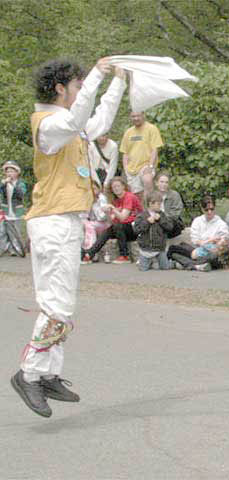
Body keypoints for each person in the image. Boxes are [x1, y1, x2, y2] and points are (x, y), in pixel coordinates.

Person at [11, 57, 126, 418]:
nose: (81, 94)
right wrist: (98, 74)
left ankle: (48, 373)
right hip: (52, 221)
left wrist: (118, 83)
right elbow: (77, 119)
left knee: (62, 303)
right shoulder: (48, 123)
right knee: (55, 303)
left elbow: (98, 122)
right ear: (60, 89)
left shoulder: (70, 127)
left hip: (67, 220)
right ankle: (29, 373)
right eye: (76, 87)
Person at [82, 176, 142, 264]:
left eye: (118, 186)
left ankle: (124, 256)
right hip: (123, 229)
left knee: (117, 226)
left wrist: (112, 208)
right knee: (108, 230)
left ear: (123, 186)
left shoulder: (129, 197)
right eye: (114, 187)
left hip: (137, 228)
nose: (116, 188)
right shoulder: (116, 200)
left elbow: (123, 217)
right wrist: (107, 212)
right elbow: (113, 221)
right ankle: (89, 254)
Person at [168, 195, 229, 272]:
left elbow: (225, 239)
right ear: (202, 209)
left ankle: (188, 264)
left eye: (212, 209)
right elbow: (195, 240)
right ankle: (197, 265)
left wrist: (219, 243)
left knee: (214, 256)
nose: (209, 212)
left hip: (212, 252)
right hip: (196, 249)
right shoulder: (197, 221)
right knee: (173, 251)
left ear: (215, 208)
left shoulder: (221, 223)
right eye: (206, 210)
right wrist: (209, 241)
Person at [120, 111, 164, 200]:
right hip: (132, 168)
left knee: (147, 180)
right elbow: (125, 153)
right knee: (136, 195)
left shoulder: (151, 128)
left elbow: (155, 149)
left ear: (143, 115)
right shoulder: (128, 132)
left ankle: (150, 207)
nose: (136, 118)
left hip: (146, 164)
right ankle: (141, 211)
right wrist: (126, 168)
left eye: (138, 116)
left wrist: (151, 166)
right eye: (133, 116)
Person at [132, 190, 173, 271]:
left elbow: (169, 227)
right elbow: (136, 230)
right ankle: (147, 262)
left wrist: (161, 220)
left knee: (165, 267)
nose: (160, 206)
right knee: (143, 269)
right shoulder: (142, 215)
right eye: (158, 204)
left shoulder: (162, 214)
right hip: (146, 247)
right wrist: (147, 222)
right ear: (151, 203)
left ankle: (170, 262)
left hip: (159, 248)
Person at [0, 160, 27, 255]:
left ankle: (16, 249)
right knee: (3, 231)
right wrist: (4, 184)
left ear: (17, 172)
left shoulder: (21, 183)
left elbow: (21, 194)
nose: (9, 173)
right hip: (6, 210)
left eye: (12, 171)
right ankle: (6, 249)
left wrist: (13, 184)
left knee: (15, 232)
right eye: (8, 171)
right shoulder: (4, 183)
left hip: (17, 211)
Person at [80, 180, 111, 263]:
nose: (93, 191)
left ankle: (90, 252)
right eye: (91, 189)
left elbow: (102, 217)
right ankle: (85, 252)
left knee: (89, 226)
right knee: (84, 224)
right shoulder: (88, 199)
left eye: (94, 188)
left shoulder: (102, 198)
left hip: (104, 224)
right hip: (93, 223)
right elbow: (83, 216)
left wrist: (96, 206)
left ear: (98, 188)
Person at [154, 171, 184, 239]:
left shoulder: (174, 195)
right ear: (156, 183)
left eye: (166, 182)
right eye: (161, 182)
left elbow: (175, 214)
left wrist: (161, 218)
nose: (164, 184)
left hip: (172, 223)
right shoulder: (152, 195)